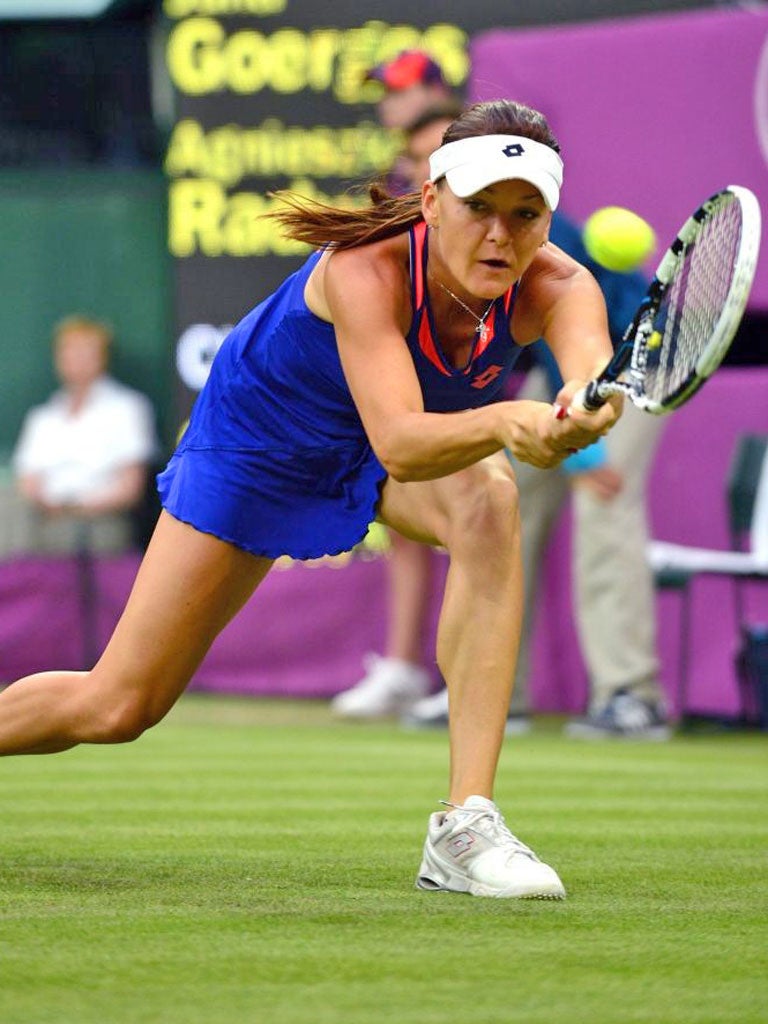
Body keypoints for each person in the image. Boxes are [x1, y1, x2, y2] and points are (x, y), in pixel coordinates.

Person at [0, 100, 622, 900]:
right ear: (432, 201)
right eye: (478, 208)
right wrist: (510, 419)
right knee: (119, 706)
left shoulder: (560, 285)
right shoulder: (365, 270)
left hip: (378, 442)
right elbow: (401, 440)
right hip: (259, 443)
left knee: (487, 505)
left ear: (546, 222)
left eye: (524, 213)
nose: (500, 234)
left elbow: (591, 375)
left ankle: (467, 823)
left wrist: (585, 411)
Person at [11, 314, 158, 555]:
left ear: (102, 356)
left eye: (85, 350)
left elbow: (131, 488)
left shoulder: (128, 408)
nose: (76, 359)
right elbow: (27, 481)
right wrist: (49, 505)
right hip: (43, 519)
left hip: (102, 523)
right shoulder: (42, 417)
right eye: (69, 350)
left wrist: (75, 507)